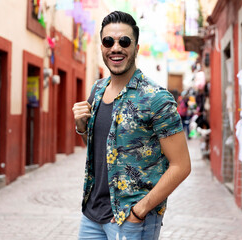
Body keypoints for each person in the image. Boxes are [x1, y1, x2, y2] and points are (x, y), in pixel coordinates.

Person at [72, 11, 191, 240]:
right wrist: (81, 127)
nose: (116, 47)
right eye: (109, 41)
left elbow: (182, 165)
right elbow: (99, 149)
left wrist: (139, 210)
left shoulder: (156, 98)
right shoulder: (97, 91)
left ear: (136, 48)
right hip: (92, 215)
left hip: (131, 220)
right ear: (102, 48)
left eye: (124, 41)